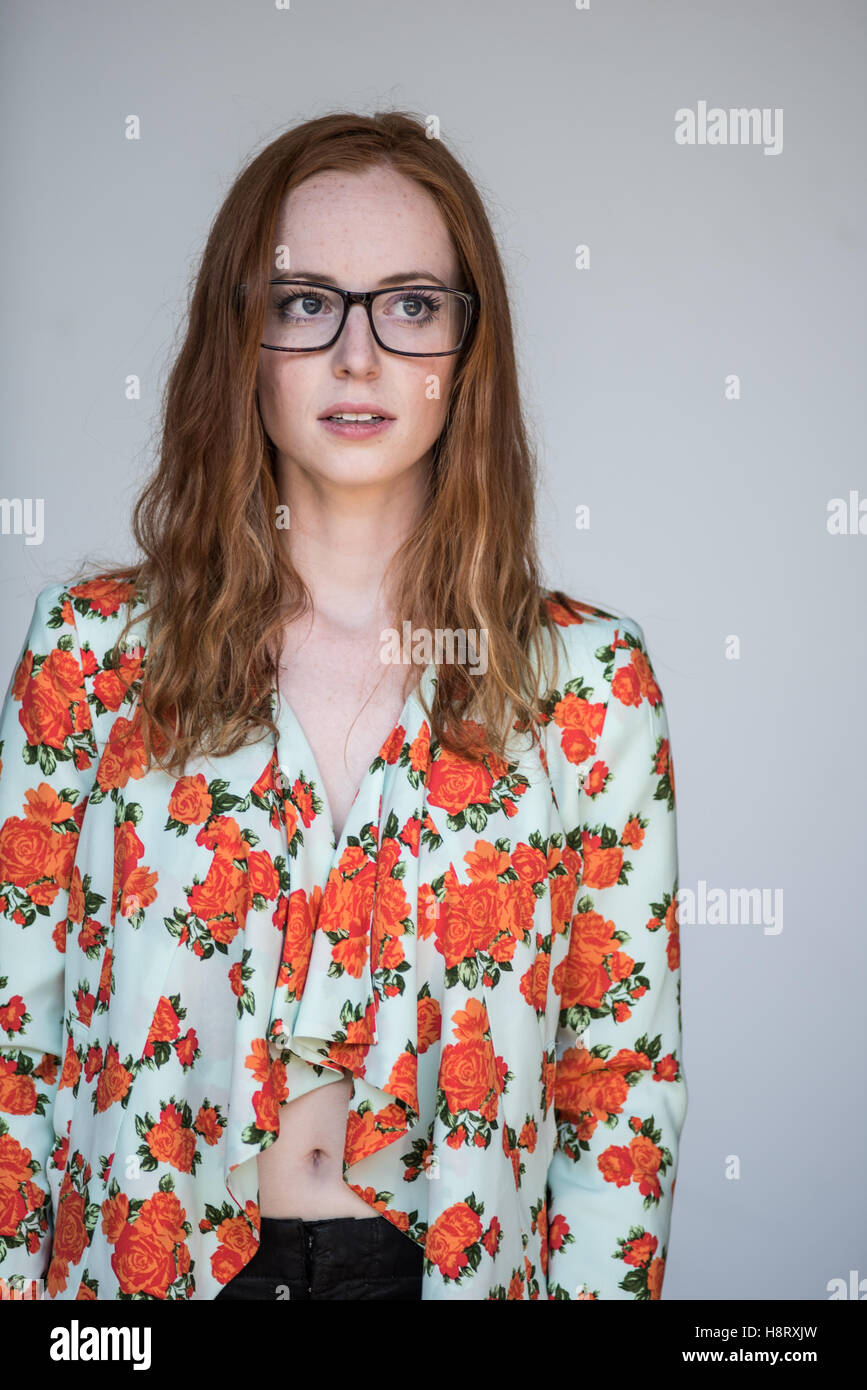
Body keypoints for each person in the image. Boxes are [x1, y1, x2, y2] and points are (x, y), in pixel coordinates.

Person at [0, 110, 687, 1301]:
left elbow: (615, 1087)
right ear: (241, 338)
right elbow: (15, 1049)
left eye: (411, 304)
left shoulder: (588, 684)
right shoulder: (95, 653)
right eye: (305, 301)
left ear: (467, 351)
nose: (357, 356)